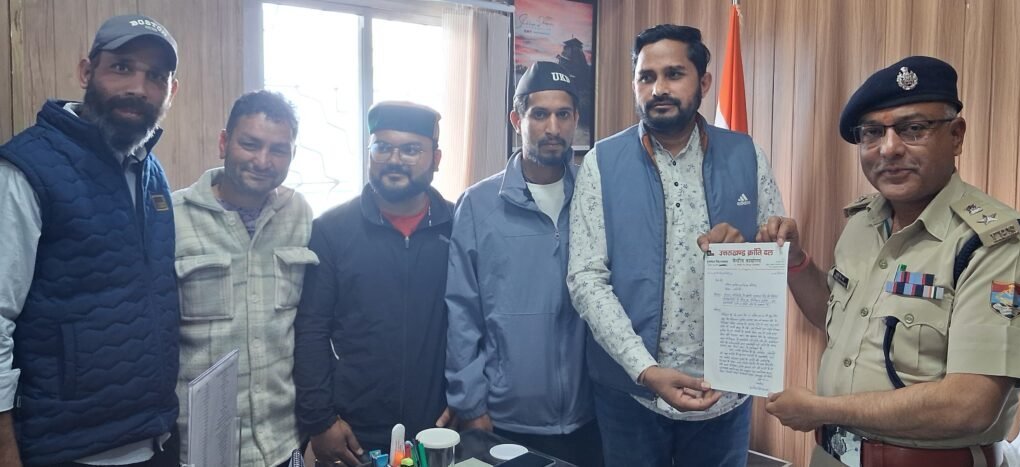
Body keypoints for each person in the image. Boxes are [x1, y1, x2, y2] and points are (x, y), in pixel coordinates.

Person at [763, 56, 1020, 467]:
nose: (889, 148)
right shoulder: (863, 222)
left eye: (913, 128)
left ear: (956, 136)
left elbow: (970, 405)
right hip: (832, 457)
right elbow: (835, 317)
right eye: (872, 132)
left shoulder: (993, 244)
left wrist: (821, 409)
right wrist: (794, 261)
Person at [567, 24, 785, 467]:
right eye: (646, 77)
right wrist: (645, 370)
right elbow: (586, 279)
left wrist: (756, 250)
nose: (659, 89)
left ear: (704, 82)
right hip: (631, 391)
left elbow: (774, 256)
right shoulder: (602, 163)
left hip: (724, 393)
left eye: (674, 74)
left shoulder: (746, 155)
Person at [0, 14, 181, 467]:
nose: (139, 88)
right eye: (122, 67)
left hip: (152, 436)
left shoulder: (150, 171)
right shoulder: (28, 169)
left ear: (170, 92)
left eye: (156, 76)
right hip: (67, 449)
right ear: (86, 72)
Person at [444, 61, 602, 466]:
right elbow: (462, 312)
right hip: (505, 419)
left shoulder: (596, 197)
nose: (553, 127)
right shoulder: (478, 205)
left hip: (591, 416)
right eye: (539, 114)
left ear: (576, 119)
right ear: (517, 120)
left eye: (563, 114)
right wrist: (470, 406)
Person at [294, 101, 453, 467]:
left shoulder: (458, 225)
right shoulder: (331, 230)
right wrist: (321, 421)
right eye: (382, 147)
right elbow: (311, 330)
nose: (394, 160)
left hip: (438, 427)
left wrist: (468, 399)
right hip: (355, 430)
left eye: (410, 149)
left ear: (436, 158)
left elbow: (476, 321)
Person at [173, 90, 315, 467]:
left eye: (278, 150)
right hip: (202, 447)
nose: (263, 161)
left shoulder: (299, 214)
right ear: (224, 142)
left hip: (284, 440)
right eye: (250, 144)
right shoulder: (173, 217)